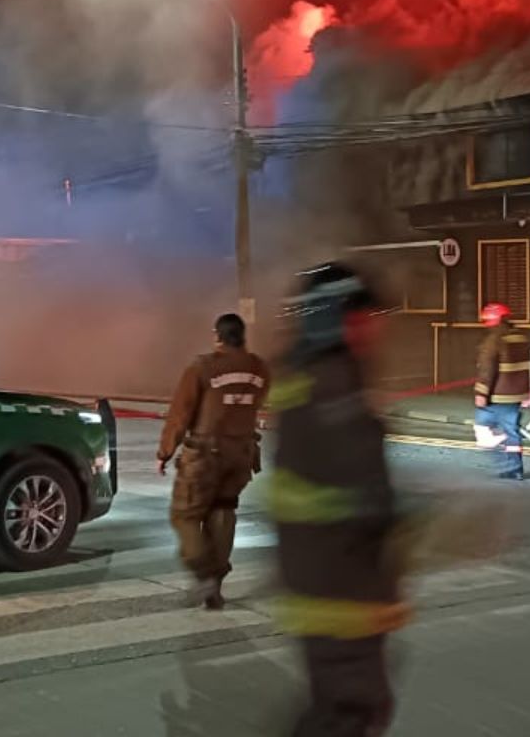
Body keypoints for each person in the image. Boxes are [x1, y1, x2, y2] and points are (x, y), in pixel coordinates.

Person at [270, 263, 409, 736]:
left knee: (343, 712)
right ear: (333, 319)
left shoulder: (307, 379)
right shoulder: (333, 387)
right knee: (351, 716)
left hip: (323, 586)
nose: (375, 328)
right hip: (341, 593)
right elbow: (361, 494)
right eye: (364, 317)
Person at [157, 312, 269, 610]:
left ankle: (204, 574)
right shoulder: (259, 368)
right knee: (223, 511)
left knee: (185, 516)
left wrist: (165, 451)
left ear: (218, 336)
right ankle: (215, 588)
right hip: (241, 454)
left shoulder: (203, 367)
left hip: (205, 455)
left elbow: (180, 415)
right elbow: (257, 402)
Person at [473, 303, 530, 480]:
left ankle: (502, 449)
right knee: (512, 431)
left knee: (482, 430)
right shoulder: (520, 337)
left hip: (497, 394)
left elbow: (487, 369)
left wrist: (482, 392)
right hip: (515, 395)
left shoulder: (494, 339)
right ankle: (516, 469)